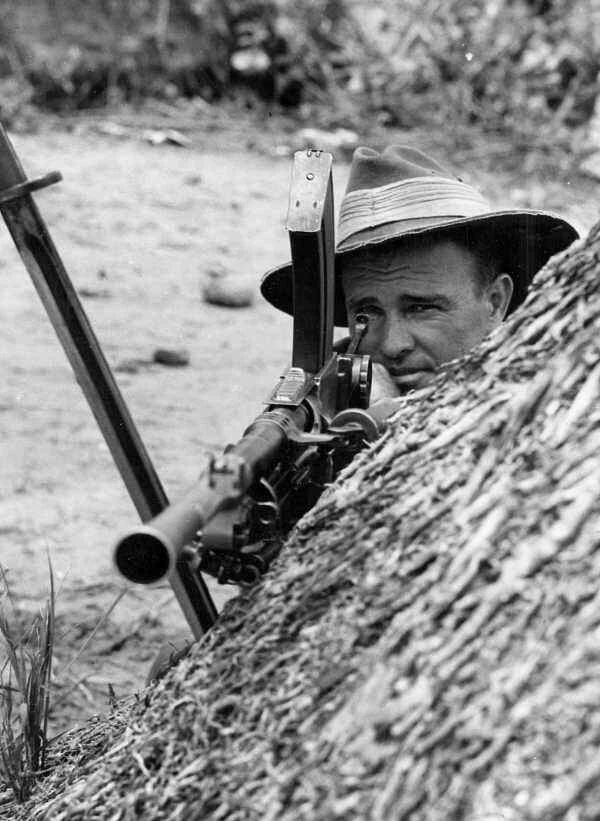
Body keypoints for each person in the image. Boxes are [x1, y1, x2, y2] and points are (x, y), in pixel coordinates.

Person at [260, 145, 579, 403]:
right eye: (366, 315)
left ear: (495, 301)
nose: (392, 346)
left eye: (421, 308)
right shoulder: (333, 386)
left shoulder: (548, 390)